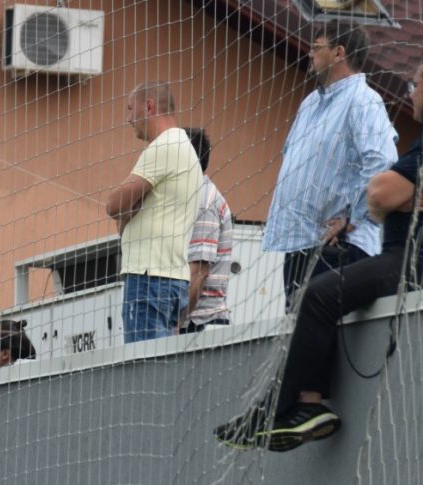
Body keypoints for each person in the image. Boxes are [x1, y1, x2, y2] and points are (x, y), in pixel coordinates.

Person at [214, 65, 423, 452]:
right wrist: (397, 195)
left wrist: (390, 197)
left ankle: (297, 407)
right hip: (398, 254)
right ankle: (288, 407)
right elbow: (384, 195)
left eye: (416, 84)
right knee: (309, 298)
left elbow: (379, 192)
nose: (410, 92)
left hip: (409, 259)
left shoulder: (367, 104)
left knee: (317, 295)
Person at [262, 20, 398, 308]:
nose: (310, 54)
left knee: (322, 330)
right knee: (296, 327)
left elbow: (382, 159)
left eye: (316, 47)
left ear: (339, 53)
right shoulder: (310, 103)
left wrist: (355, 217)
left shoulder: (364, 100)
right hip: (301, 243)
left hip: (339, 246)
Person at [106, 82, 203, 341]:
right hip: (170, 278)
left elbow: (113, 205)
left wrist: (125, 213)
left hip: (149, 279)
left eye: (130, 109)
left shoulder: (163, 147)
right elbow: (125, 210)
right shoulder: (184, 147)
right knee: (160, 363)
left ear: (149, 107)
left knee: (144, 364)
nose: (128, 119)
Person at [180, 128, 232, 333]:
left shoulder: (202, 201)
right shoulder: (195, 196)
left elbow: (199, 273)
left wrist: (177, 323)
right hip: (193, 321)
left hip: (198, 323)